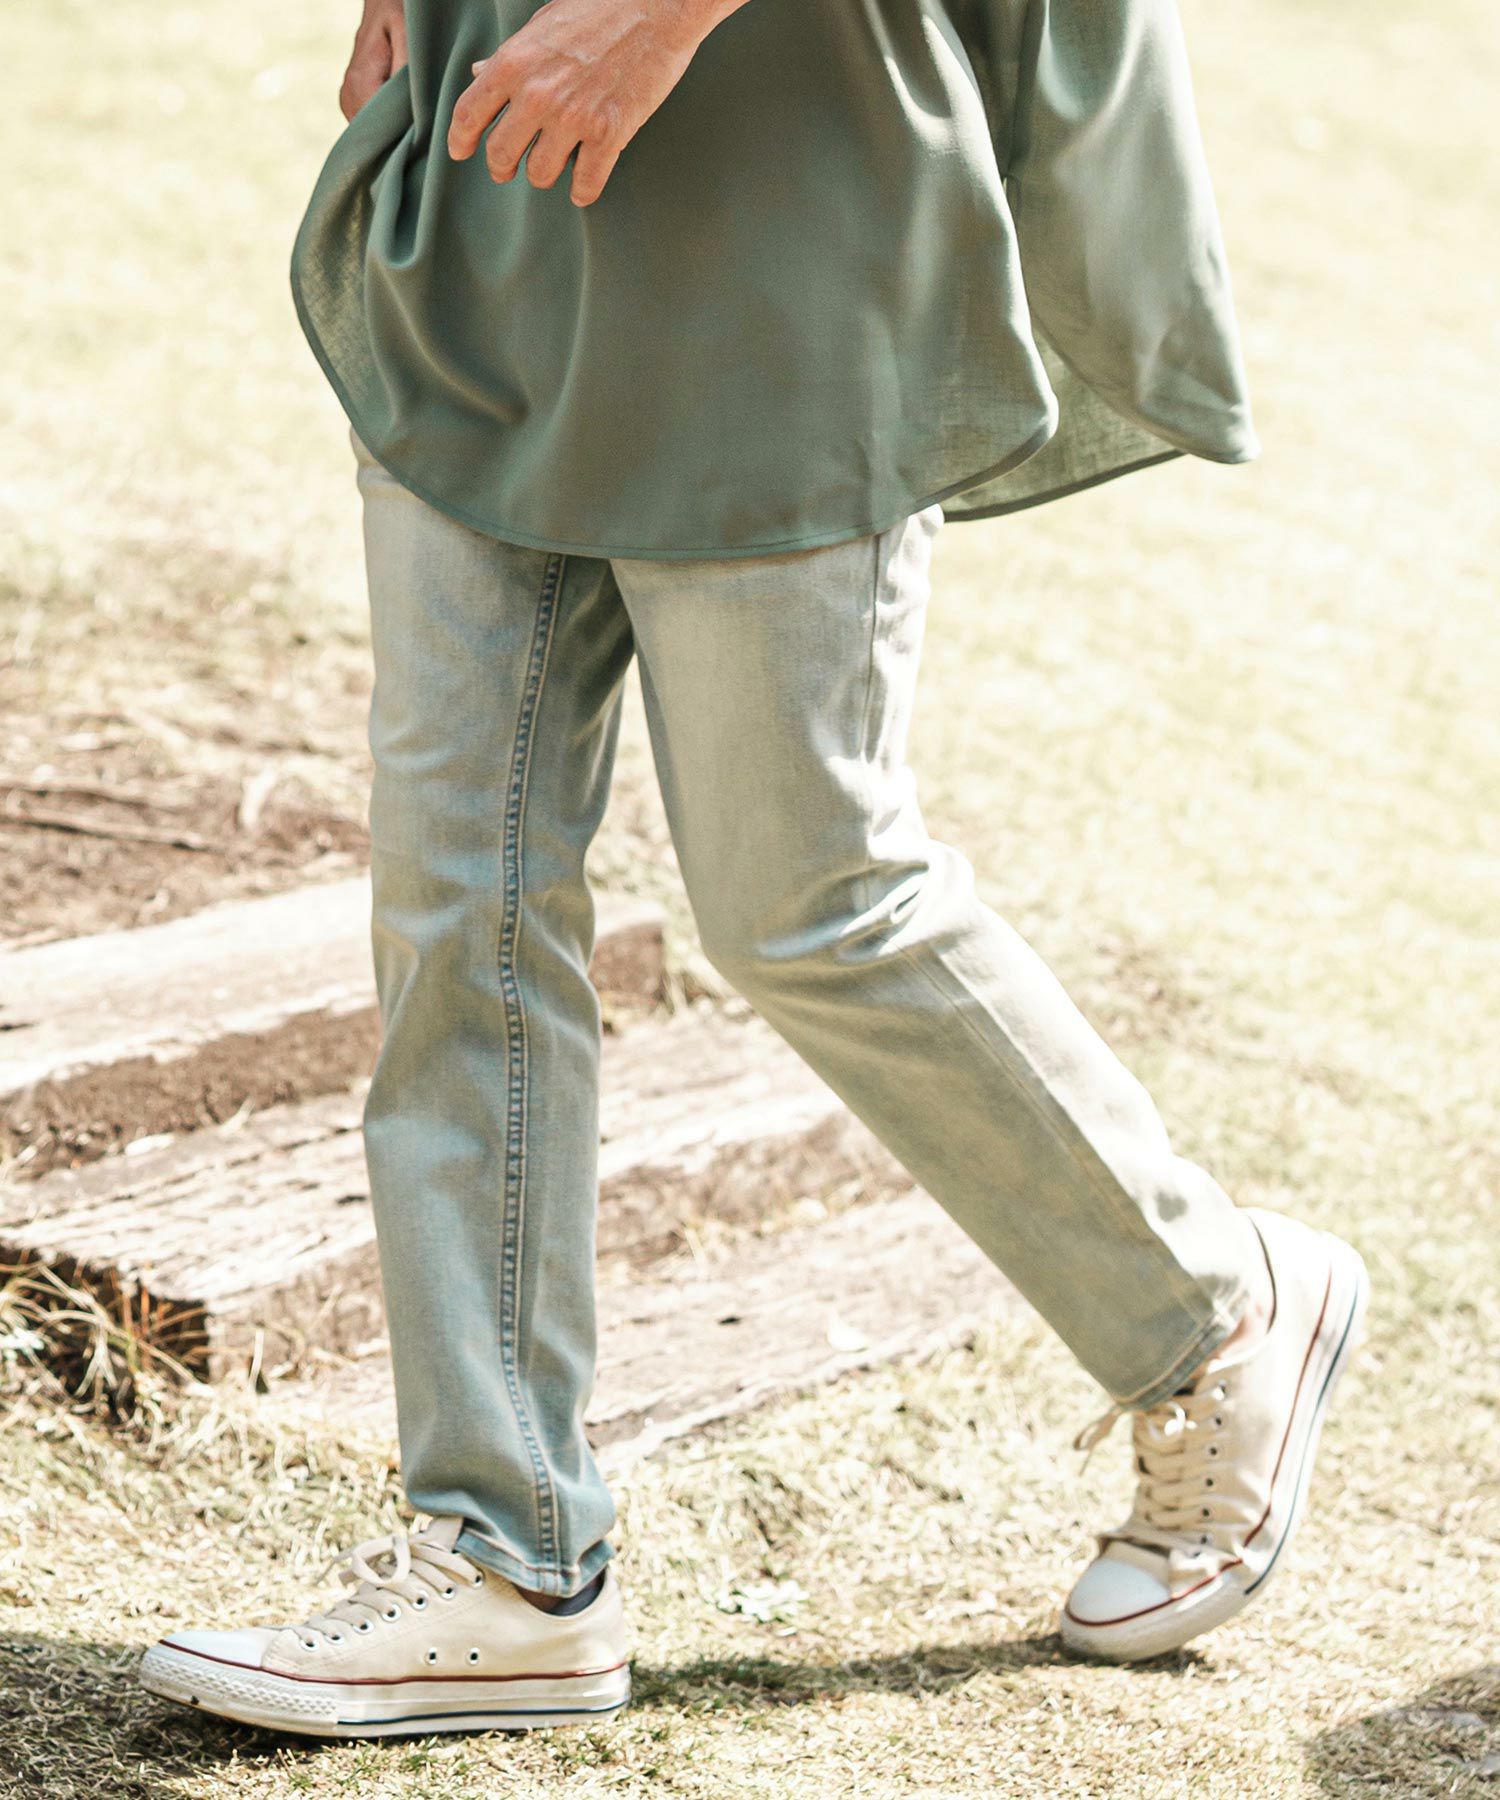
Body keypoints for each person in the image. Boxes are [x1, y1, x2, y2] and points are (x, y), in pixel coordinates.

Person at [138, 0, 1369, 1736]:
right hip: (490, 207)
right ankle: (511, 1563)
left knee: (808, 894)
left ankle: (1216, 1310)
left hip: (789, 188)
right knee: (456, 906)